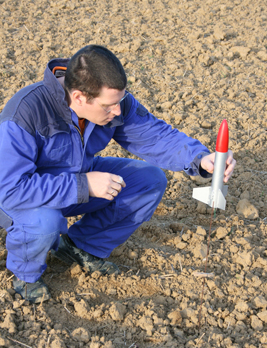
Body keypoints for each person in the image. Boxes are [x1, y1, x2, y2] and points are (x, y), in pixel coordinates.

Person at [0, 45, 236, 303]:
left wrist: (200, 159)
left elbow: (154, 135)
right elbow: (11, 189)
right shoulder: (26, 112)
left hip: (80, 177)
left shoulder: (112, 101)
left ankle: (79, 247)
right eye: (109, 106)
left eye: (120, 102)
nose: (117, 112)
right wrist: (84, 185)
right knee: (43, 223)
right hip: (23, 197)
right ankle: (25, 274)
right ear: (79, 97)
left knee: (148, 181)